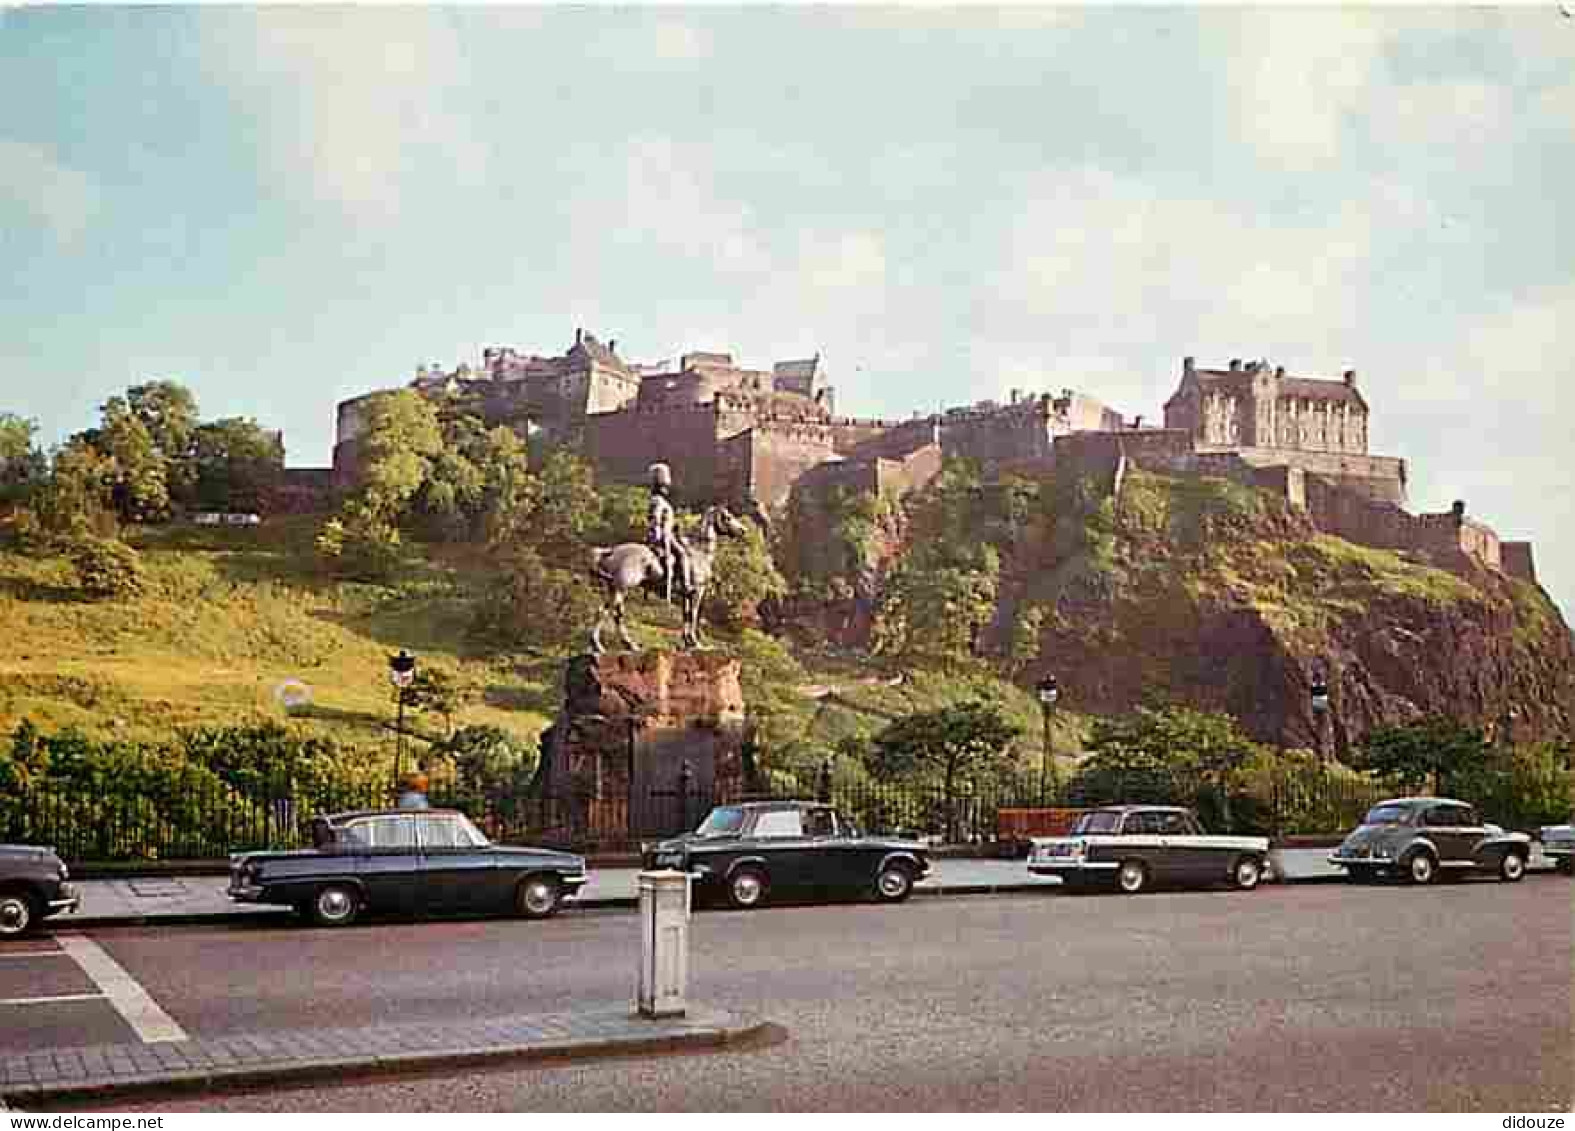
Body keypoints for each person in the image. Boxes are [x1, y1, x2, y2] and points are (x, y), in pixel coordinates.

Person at [646, 462, 687, 602]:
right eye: (664, 487)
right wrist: (659, 536)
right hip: (664, 536)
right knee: (682, 554)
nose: (667, 490)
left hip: (667, 534)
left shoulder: (658, 500)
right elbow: (656, 519)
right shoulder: (658, 501)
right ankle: (685, 585)